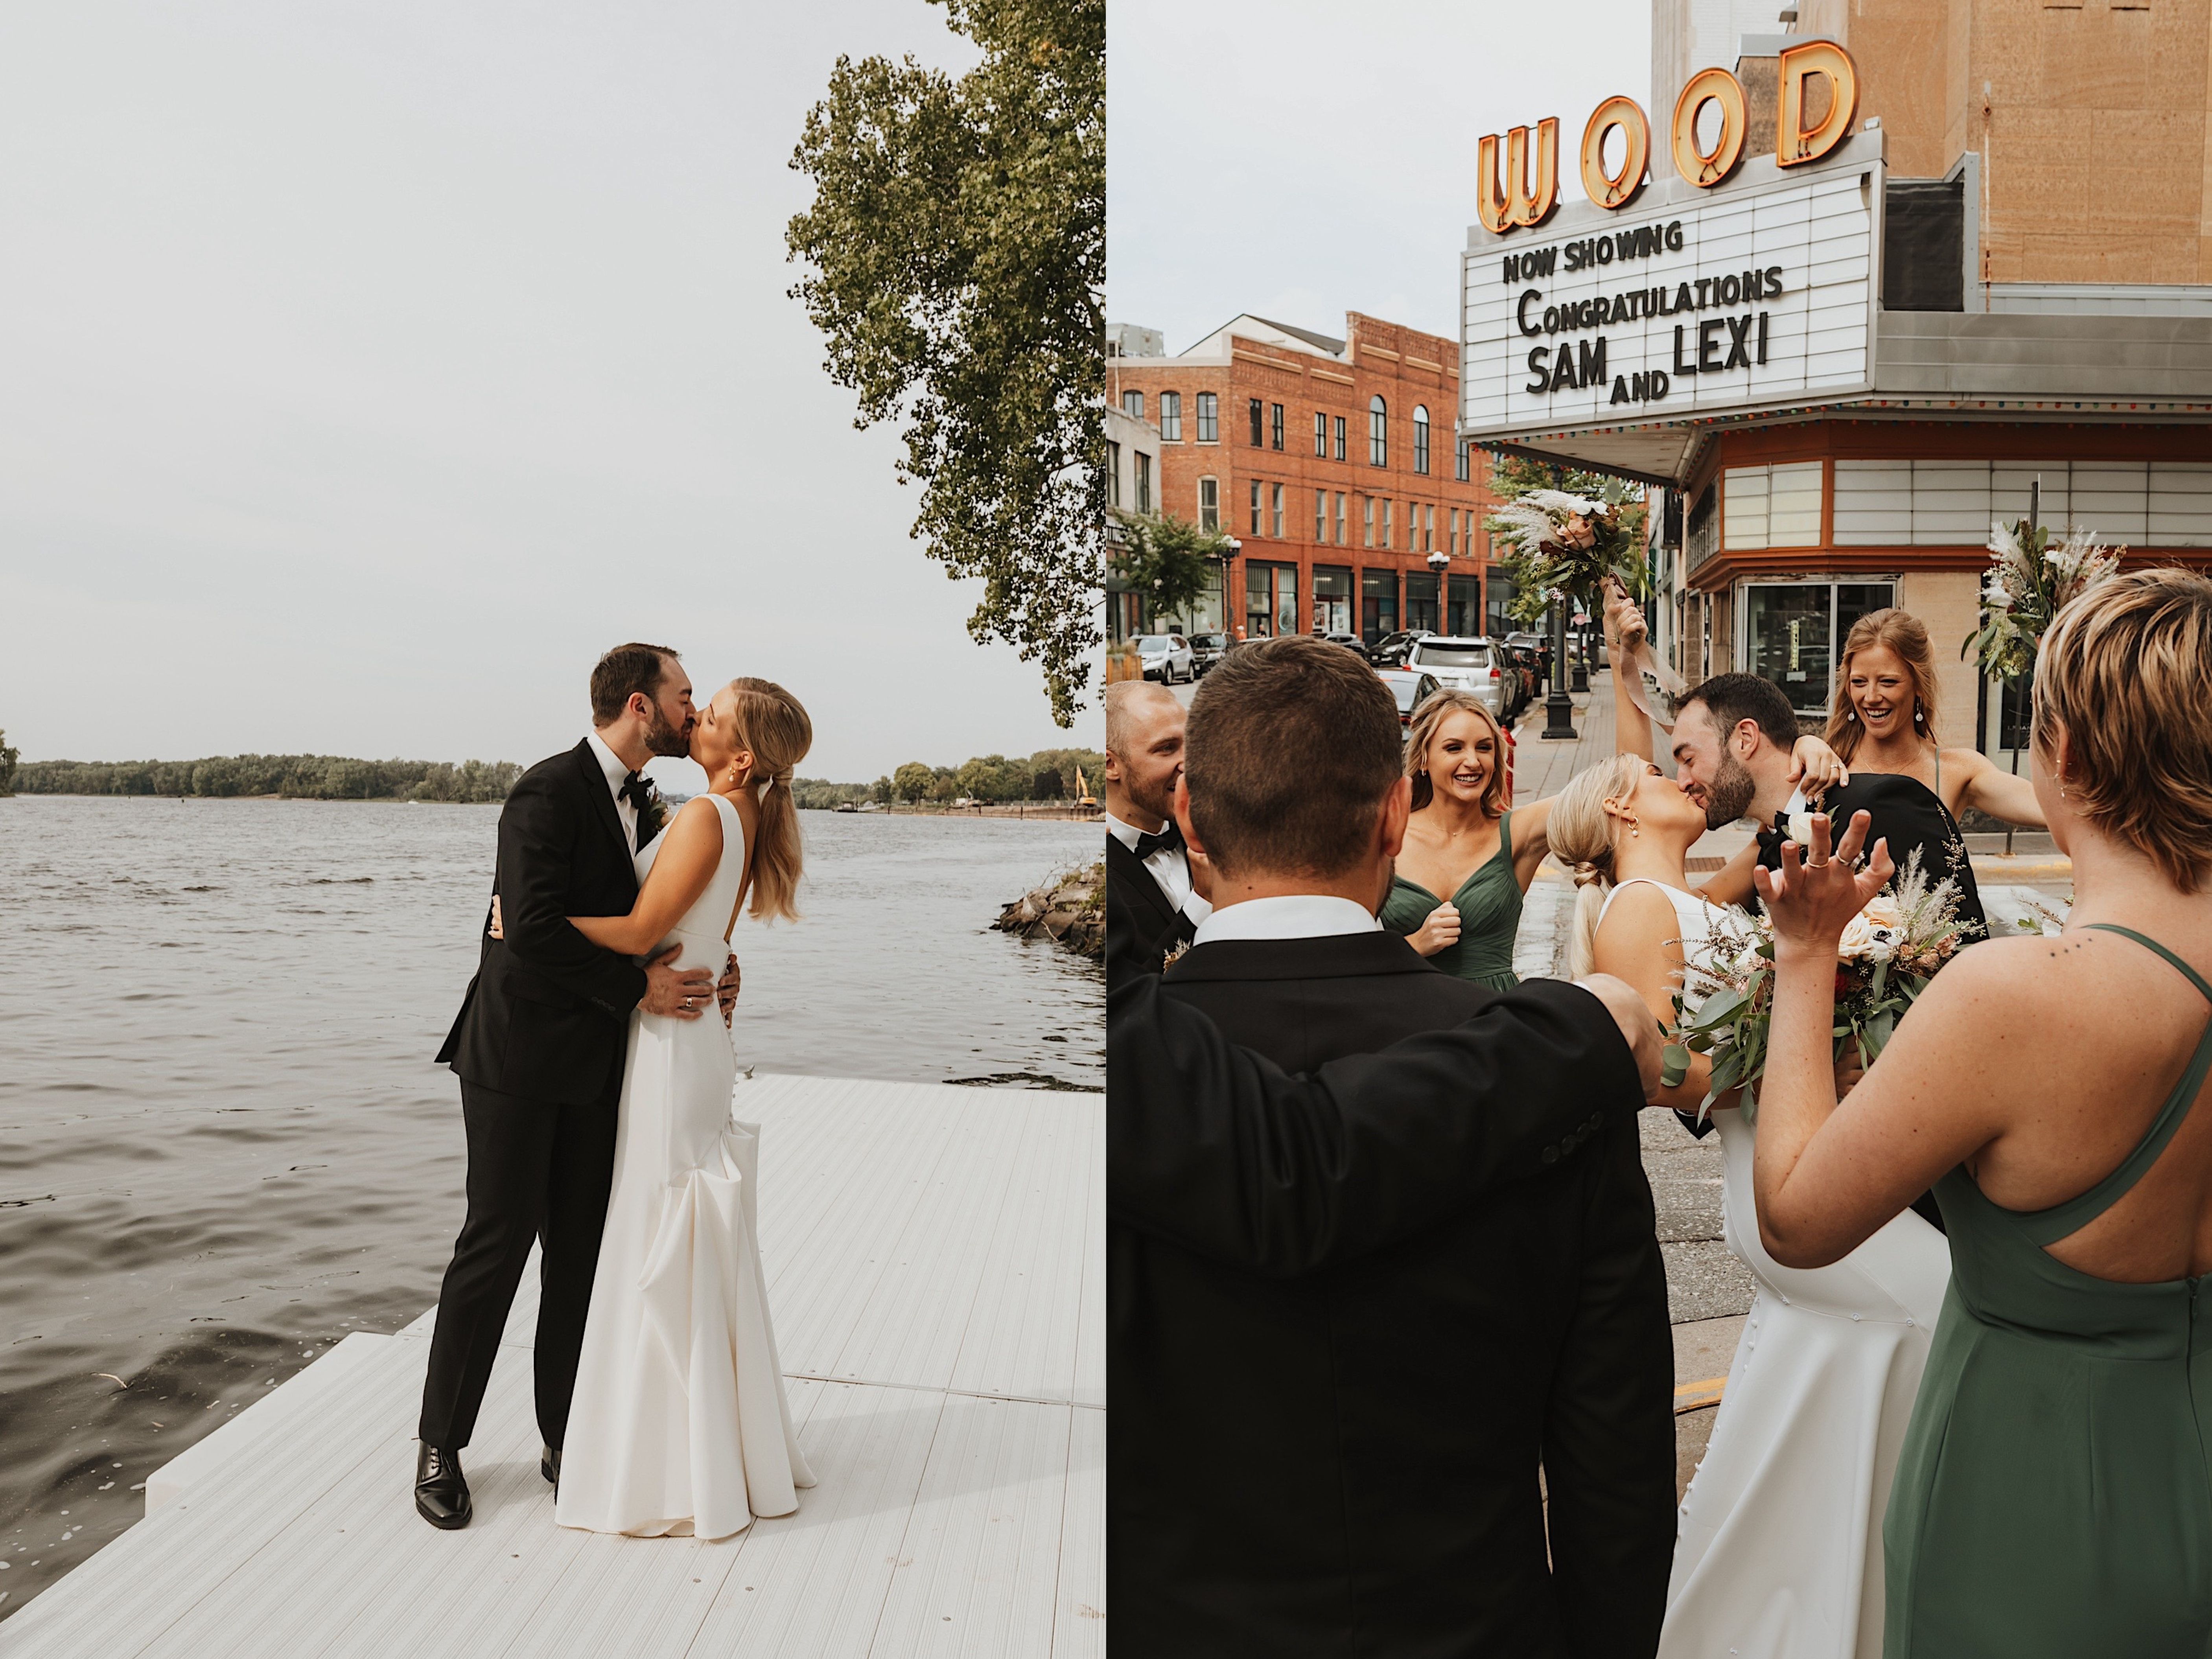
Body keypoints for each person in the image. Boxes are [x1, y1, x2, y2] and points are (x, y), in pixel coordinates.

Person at [1111, 634, 1676, 1659]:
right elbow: (1617, 1472)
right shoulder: (1558, 1088)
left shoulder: (1113, 1081)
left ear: (1188, 815)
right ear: (1391, 812)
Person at [1752, 569, 2212, 1657]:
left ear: (2072, 756)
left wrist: (1809, 953)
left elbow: (1797, 1217)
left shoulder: (2017, 997)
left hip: (2031, 1507)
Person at [1546, 749, 1950, 1659]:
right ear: (1618, 804)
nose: (1684, 779)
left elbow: (1770, 819)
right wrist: (1784, 1045)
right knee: (1935, 1307)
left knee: (1845, 1382)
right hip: (1777, 1168)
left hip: (1800, 1163)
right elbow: (1647, 1068)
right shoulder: (1636, 907)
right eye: (1657, 769)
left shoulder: (1686, 895)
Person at [414, 643, 739, 1530]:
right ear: (640, 705)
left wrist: (716, 958)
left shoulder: (650, 802)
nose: (692, 708)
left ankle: (567, 1435)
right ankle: (441, 1444)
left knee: (580, 1262)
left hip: (600, 1066)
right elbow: (529, 932)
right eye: (682, 696)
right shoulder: (546, 791)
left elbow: (655, 915)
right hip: (517, 1061)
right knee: (495, 1246)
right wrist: (638, 987)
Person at [551, 676, 818, 1539]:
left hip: (672, 1047)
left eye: (712, 717)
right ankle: (703, 1441)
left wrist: (534, 920)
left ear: (739, 755)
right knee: (682, 1229)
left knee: (657, 1229)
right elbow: (709, 939)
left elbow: (637, 936)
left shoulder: (708, 817)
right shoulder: (741, 817)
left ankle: (662, 1461)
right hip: (694, 1035)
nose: (694, 719)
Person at [1382, 666, 1843, 989]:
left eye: (1484, 747)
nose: (1472, 760)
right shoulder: (1386, 835)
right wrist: (1410, 947)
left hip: (1487, 1014)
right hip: (1403, 1007)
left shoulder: (1516, 832)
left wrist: (1796, 745)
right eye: (1454, 747)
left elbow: (1623, 781)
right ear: (1423, 757)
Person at [1822, 605, 2046, 828]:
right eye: (1859, 682)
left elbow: (2052, 809)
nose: (1870, 697)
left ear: (1920, 684)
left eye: (1888, 682)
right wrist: (1805, 745)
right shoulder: (1826, 763)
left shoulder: (1958, 771)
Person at [1103, 679, 1211, 986]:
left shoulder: (1215, 834)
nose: (1189, 764)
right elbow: (1131, 995)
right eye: (1167, 749)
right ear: (1111, 764)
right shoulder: (1102, 873)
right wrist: (1202, 900)